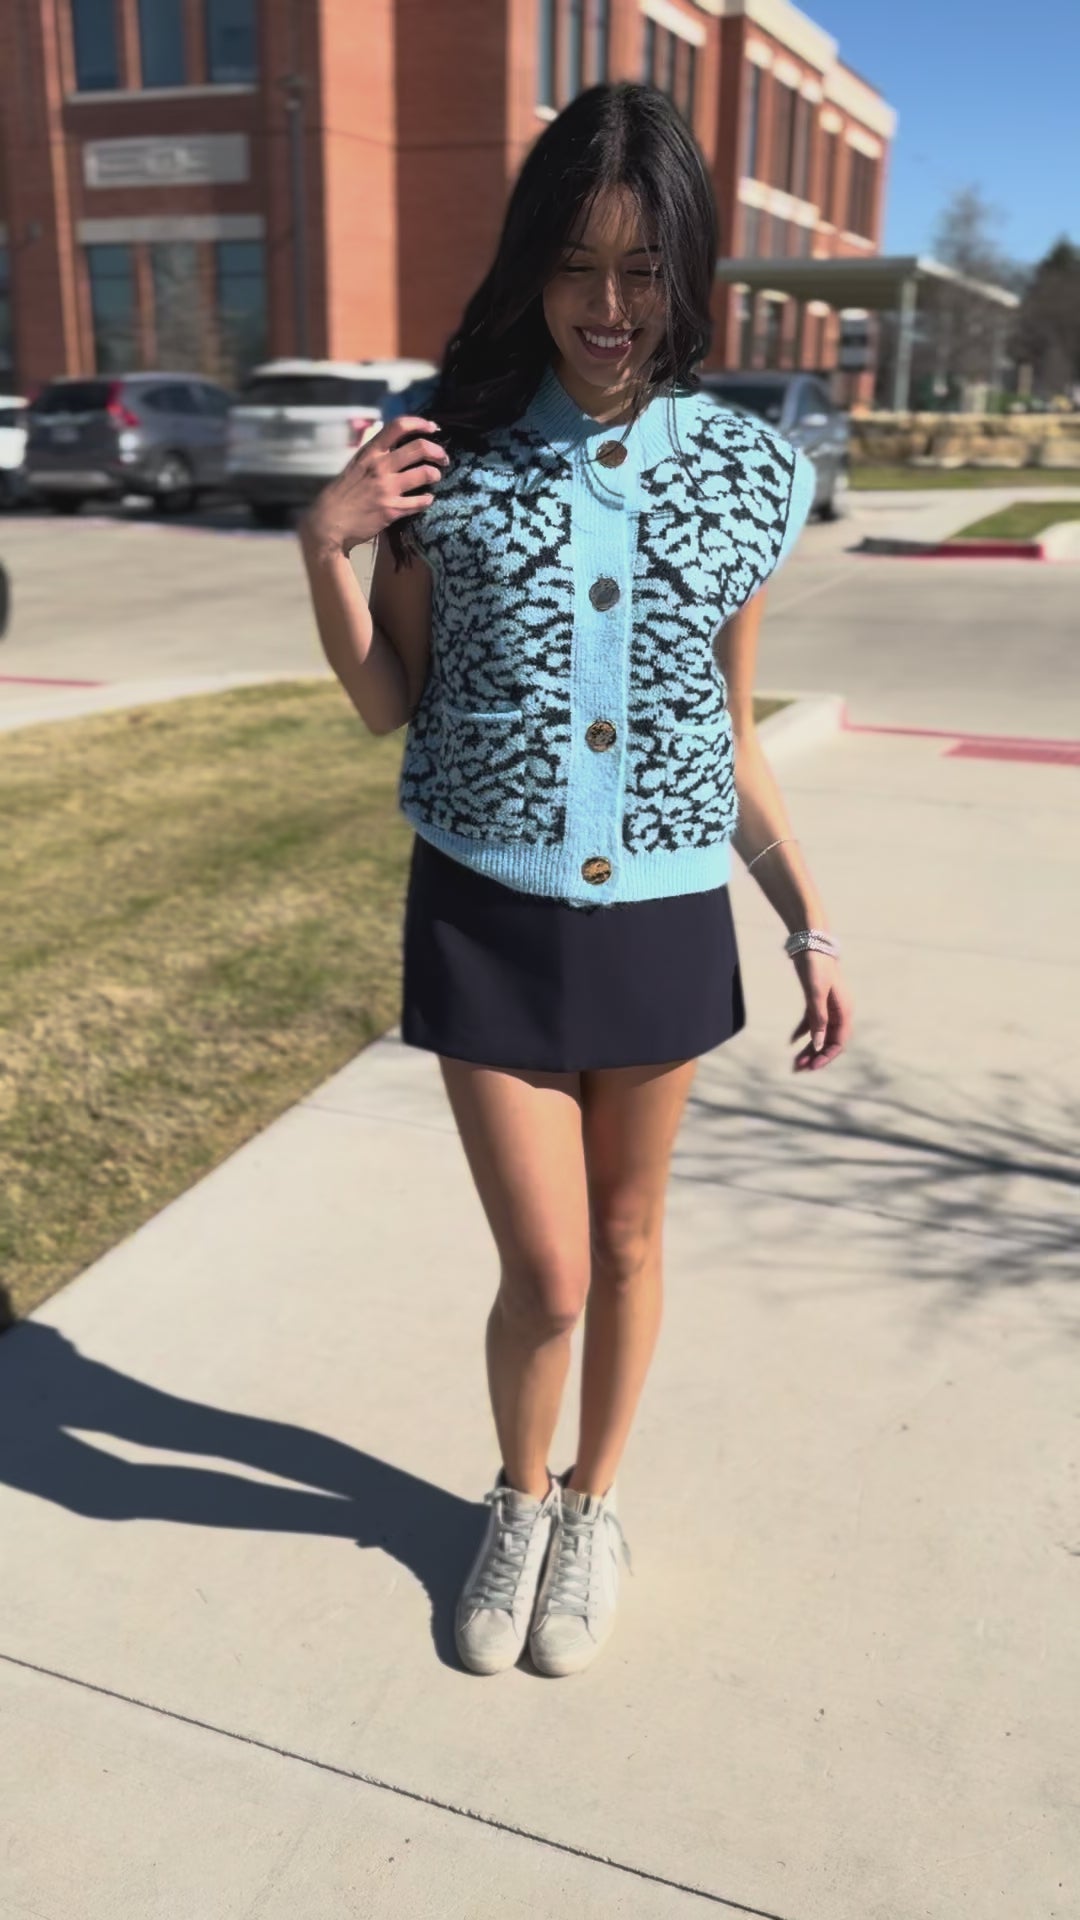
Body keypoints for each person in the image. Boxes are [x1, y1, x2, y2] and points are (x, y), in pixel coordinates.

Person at [299, 81, 853, 1680]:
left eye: (642, 271)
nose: (608, 309)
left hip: (665, 910)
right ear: (532, 263)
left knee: (624, 1241)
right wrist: (323, 546)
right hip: (486, 904)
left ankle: (594, 1506)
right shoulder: (445, 446)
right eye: (576, 267)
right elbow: (388, 702)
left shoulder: (746, 475)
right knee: (544, 1273)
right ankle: (519, 1495)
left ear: (688, 273)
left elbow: (724, 734)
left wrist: (807, 921)